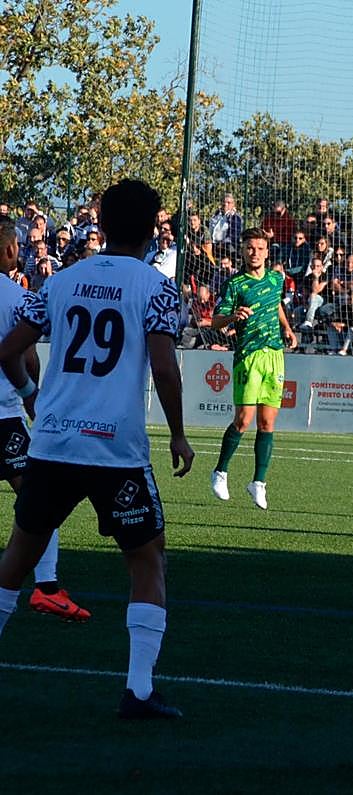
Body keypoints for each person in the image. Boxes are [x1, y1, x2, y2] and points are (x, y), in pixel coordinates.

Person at [0, 178, 195, 718]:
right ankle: (137, 691)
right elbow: (163, 367)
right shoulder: (155, 288)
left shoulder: (62, 281)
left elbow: (9, 352)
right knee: (147, 558)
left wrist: (33, 396)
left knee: (18, 558)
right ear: (153, 227)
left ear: (101, 224)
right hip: (113, 450)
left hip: (54, 442)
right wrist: (178, 432)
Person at [0, 220, 91, 620]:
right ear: (9, 251)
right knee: (39, 501)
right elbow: (27, 354)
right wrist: (32, 395)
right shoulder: (14, 297)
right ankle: (47, 585)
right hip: (4, 417)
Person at [210, 228, 299, 510]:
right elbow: (214, 321)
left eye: (260, 248)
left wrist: (287, 329)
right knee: (244, 419)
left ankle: (258, 482)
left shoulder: (276, 279)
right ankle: (220, 471)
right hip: (248, 356)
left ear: (267, 251)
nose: (255, 253)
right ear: (243, 250)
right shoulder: (235, 284)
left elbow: (277, 307)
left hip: (274, 354)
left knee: (267, 422)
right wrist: (233, 316)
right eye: (250, 248)